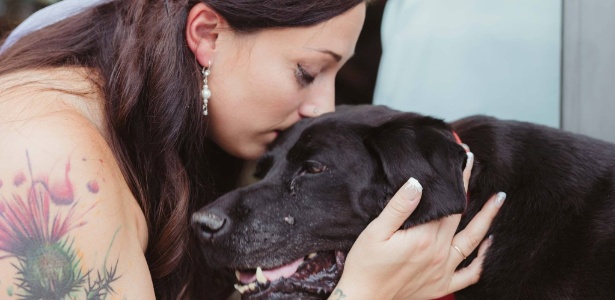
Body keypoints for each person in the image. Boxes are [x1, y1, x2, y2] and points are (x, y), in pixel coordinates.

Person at [0, 0, 504, 299]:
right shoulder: (48, 163)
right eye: (307, 72)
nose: (322, 106)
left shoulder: (137, 117)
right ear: (209, 34)